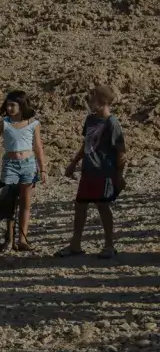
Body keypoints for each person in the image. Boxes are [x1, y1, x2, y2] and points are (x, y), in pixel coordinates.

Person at [59, 85, 126, 259]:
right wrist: (74, 163)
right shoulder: (90, 120)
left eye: (92, 99)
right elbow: (86, 144)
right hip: (88, 170)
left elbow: (121, 152)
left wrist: (118, 176)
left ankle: (109, 245)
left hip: (103, 172)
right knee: (80, 206)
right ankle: (75, 244)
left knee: (103, 206)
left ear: (103, 102)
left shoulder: (112, 123)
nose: (89, 102)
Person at [0, 89, 46, 250]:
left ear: (21, 105)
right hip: (10, 166)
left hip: (28, 165)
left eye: (12, 105)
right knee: (9, 204)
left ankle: (23, 239)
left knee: (26, 204)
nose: (9, 108)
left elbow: (39, 147)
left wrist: (43, 169)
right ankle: (9, 239)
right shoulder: (4, 123)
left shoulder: (33, 124)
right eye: (7, 105)